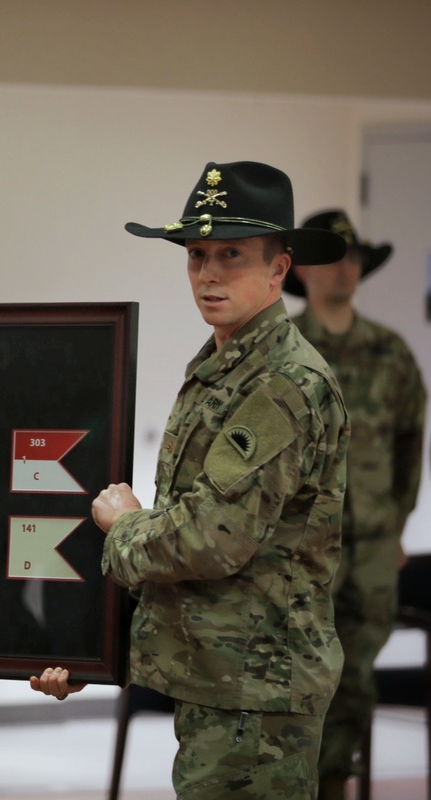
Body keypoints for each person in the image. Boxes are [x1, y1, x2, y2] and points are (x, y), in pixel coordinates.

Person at [31, 161, 351, 799]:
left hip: (255, 691)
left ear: (279, 269)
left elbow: (211, 538)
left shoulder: (280, 384)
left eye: (231, 254)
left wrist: (124, 526)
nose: (207, 272)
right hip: (222, 678)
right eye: (196, 254)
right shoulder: (227, 366)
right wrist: (99, 649)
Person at [284, 209, 426, 800]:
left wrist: (394, 524)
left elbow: (409, 444)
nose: (345, 266)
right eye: (332, 253)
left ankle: (335, 785)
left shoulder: (391, 354)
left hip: (368, 550)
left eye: (353, 255)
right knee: (294, 676)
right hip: (296, 551)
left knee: (355, 678)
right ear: (304, 269)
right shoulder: (281, 347)